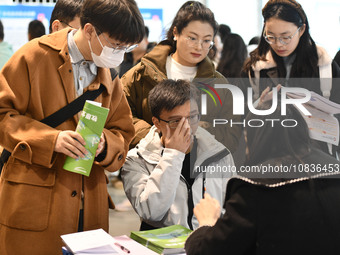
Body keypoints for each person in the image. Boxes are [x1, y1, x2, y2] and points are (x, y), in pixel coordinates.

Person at [0, 0, 145, 254]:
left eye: (126, 47)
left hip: (89, 205)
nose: (119, 53)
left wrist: (104, 146)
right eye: (115, 44)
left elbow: (122, 131)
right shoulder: (33, 56)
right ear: (89, 30)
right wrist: (50, 140)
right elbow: (2, 115)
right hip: (35, 199)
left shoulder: (109, 74)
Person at [185, 102, 340, 254]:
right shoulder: (334, 168)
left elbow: (208, 250)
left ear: (252, 138)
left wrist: (207, 224)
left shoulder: (253, 187)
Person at [122, 1, 242, 152]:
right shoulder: (143, 73)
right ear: (176, 33)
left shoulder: (219, 83)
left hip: (200, 169)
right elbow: (121, 116)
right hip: (150, 163)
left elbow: (232, 132)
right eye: (192, 38)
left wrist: (196, 137)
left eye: (206, 41)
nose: (199, 47)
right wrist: (157, 136)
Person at [121, 79, 234, 230]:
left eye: (192, 117)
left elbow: (232, 209)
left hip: (208, 244)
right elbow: (152, 212)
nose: (186, 127)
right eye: (175, 121)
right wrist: (173, 154)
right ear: (157, 122)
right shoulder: (136, 160)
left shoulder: (219, 155)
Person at [242, 0, 340, 156]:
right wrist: (260, 105)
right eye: (271, 37)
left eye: (285, 37)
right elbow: (243, 116)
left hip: (315, 153)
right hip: (270, 154)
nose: (279, 44)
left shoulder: (325, 66)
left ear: (301, 30)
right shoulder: (256, 68)